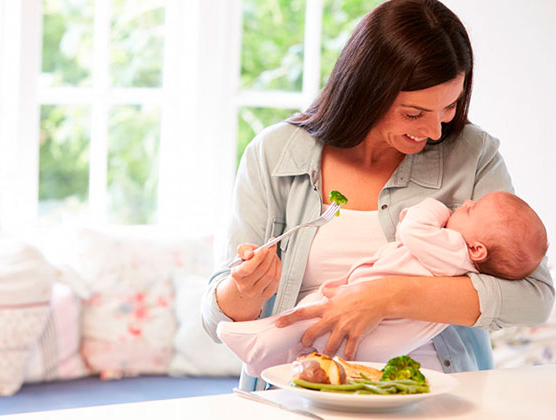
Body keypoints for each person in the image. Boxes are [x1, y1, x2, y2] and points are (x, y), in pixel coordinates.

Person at [201, 0, 554, 392]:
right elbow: (215, 320)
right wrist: (245, 290)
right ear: (365, 92)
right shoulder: (275, 153)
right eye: (414, 113)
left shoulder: (472, 155)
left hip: (436, 394)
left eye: (449, 107)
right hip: (301, 391)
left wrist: (386, 296)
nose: (435, 131)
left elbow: (534, 298)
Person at [216, 192, 548, 377]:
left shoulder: (453, 247)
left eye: (472, 209)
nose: (464, 204)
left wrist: (434, 206)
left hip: (371, 320)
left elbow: (414, 229)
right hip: (386, 343)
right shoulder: (467, 266)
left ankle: (253, 343)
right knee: (307, 346)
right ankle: (263, 363)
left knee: (305, 317)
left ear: (477, 249)